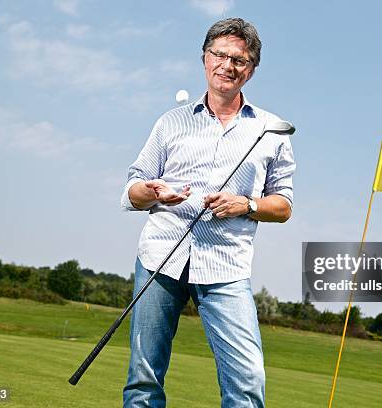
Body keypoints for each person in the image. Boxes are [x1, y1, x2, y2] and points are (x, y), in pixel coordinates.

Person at [120, 17, 295, 407]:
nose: (228, 65)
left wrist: (246, 204)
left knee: (247, 381)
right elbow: (132, 190)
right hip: (159, 259)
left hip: (226, 267)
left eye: (240, 59)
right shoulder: (170, 122)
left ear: (251, 71)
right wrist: (151, 192)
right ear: (205, 58)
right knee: (143, 381)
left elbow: (283, 205)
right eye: (220, 54)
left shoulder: (271, 130)